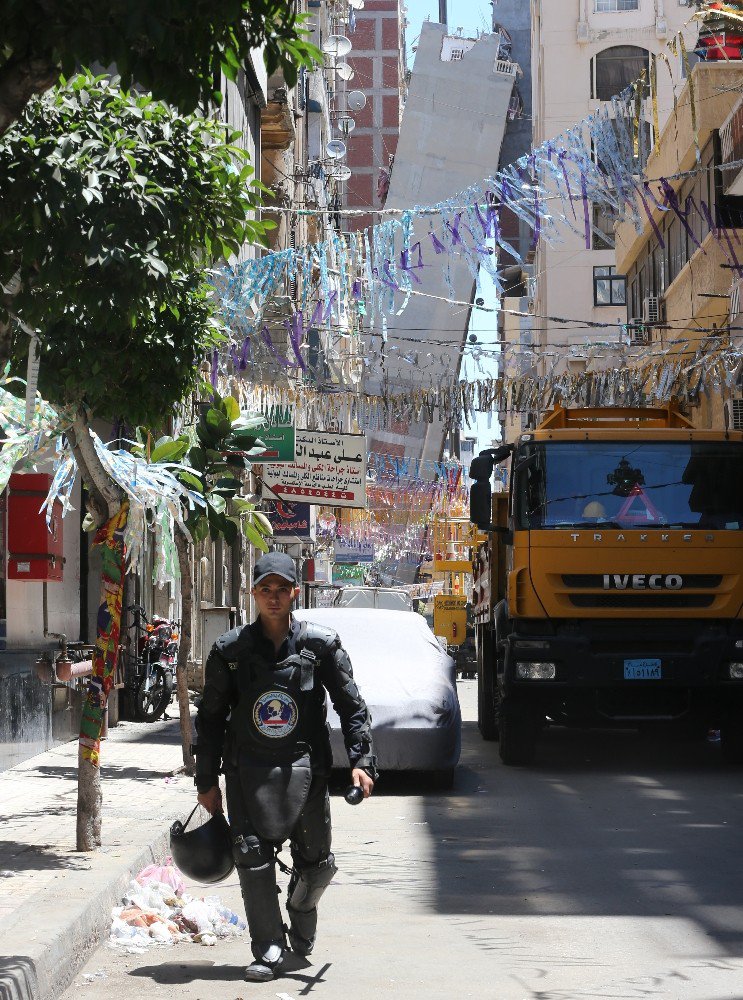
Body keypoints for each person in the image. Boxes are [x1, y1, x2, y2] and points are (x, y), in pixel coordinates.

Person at [193, 551, 377, 983]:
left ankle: (301, 906)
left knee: (316, 863)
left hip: (306, 770)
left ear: (295, 592)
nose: (273, 598)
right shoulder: (230, 651)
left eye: (282, 589)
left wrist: (361, 760)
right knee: (252, 857)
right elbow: (211, 718)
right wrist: (205, 780)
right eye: (265, 589)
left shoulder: (321, 645)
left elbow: (352, 706)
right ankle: (268, 945)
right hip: (246, 772)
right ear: (253, 593)